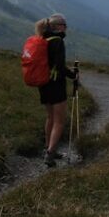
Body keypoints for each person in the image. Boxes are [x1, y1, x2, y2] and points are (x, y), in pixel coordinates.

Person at [37, 13, 78, 166]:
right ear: (57, 27)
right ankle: (50, 154)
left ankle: (48, 147)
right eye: (64, 25)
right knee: (59, 121)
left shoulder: (43, 39)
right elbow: (59, 66)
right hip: (56, 84)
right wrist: (73, 75)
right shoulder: (58, 41)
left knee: (50, 118)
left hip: (43, 84)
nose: (66, 27)